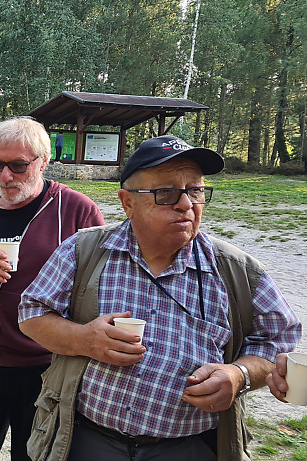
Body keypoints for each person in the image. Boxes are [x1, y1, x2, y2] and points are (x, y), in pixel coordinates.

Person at [18, 135, 302, 461]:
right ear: (128, 203)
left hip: (190, 447)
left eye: (195, 190)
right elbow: (31, 312)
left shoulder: (239, 271)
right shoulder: (83, 251)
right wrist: (84, 340)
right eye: (166, 193)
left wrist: (240, 375)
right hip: (87, 439)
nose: (186, 204)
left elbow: (278, 341)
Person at [0, 116, 105, 461]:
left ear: (43, 162)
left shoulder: (76, 210)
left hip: (47, 366)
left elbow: (101, 286)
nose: (5, 176)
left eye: (17, 165)